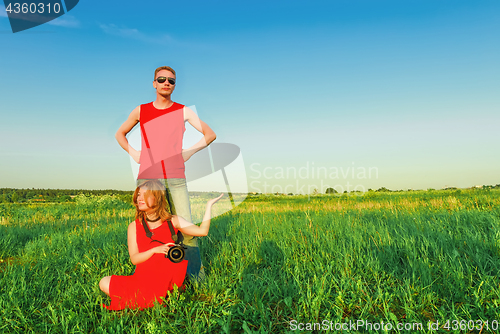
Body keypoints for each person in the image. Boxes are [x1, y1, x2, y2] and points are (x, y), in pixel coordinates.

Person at [115, 66, 216, 280]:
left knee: (187, 230)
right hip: (148, 178)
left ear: (175, 85)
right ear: (154, 84)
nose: (166, 83)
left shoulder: (183, 111)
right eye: (161, 79)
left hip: (175, 176)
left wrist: (188, 152)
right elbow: (120, 134)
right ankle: (150, 274)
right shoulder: (141, 110)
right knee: (148, 228)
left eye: (171, 80)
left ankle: (196, 278)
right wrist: (134, 152)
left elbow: (210, 134)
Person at [99, 180, 223, 310]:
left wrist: (209, 206)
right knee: (104, 282)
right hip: (142, 278)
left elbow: (202, 231)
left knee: (139, 293)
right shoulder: (134, 226)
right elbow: (134, 259)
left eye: (145, 195)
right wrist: (154, 250)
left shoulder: (172, 221)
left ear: (157, 198)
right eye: (138, 195)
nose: (139, 198)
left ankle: (145, 300)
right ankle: (152, 300)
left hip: (166, 278)